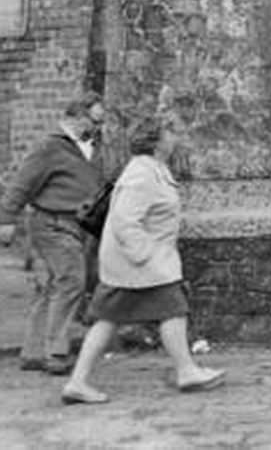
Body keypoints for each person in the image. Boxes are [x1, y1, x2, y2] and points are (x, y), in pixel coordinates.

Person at [59, 116, 222, 404]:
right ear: (156, 142)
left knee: (112, 318)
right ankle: (186, 371)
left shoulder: (151, 169)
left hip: (138, 263)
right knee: (171, 309)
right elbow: (124, 221)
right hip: (138, 262)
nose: (173, 139)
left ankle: (78, 381)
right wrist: (145, 256)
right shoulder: (141, 175)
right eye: (169, 134)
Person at [0, 92, 105, 376]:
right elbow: (22, 184)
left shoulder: (90, 146)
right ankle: (56, 353)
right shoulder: (50, 147)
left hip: (78, 227)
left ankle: (32, 352)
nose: (97, 127)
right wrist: (7, 219)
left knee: (55, 286)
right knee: (71, 281)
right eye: (94, 121)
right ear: (77, 116)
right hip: (52, 224)